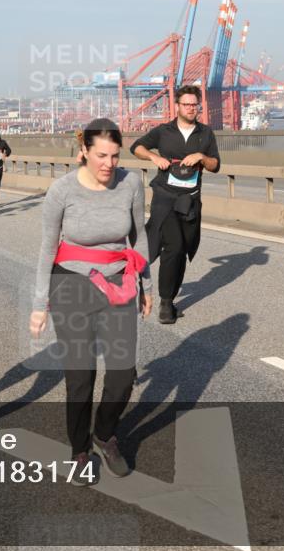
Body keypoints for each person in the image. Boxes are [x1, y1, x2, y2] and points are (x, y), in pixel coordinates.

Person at [30, 118, 152, 484]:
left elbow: (139, 236)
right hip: (71, 286)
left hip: (118, 283)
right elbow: (47, 248)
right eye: (101, 155)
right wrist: (40, 304)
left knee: (122, 374)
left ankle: (104, 433)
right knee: (80, 376)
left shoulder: (131, 182)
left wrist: (147, 285)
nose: (109, 164)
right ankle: (80, 451)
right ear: (83, 151)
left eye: (115, 156)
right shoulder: (62, 191)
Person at [130, 85, 220, 324]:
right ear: (177, 106)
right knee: (175, 246)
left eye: (195, 105)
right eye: (187, 104)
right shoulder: (163, 131)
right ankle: (166, 304)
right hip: (165, 197)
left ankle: (131, 271)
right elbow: (136, 147)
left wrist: (201, 157)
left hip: (190, 200)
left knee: (183, 250)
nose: (191, 108)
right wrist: (154, 157)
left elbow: (215, 165)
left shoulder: (206, 134)